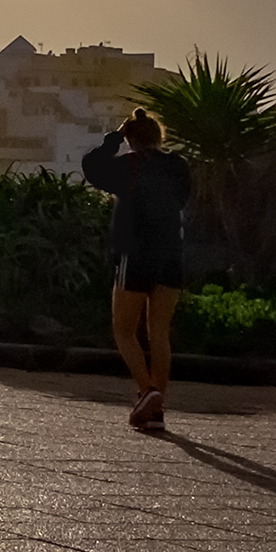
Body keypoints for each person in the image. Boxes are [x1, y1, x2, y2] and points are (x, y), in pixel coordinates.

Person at [80, 108, 193, 432]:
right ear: (160, 136)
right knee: (159, 331)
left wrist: (113, 138)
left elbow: (92, 167)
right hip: (172, 252)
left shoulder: (129, 166)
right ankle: (156, 410)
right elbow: (184, 200)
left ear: (131, 140)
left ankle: (147, 390)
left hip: (135, 252)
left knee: (124, 330)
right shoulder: (178, 167)